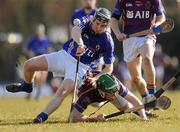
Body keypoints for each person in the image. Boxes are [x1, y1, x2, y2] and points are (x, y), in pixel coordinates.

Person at [6, 8, 115, 122]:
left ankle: (42, 116)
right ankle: (28, 86)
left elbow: (109, 68)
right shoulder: (88, 19)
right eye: (97, 23)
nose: (99, 27)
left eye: (103, 26)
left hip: (80, 67)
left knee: (63, 91)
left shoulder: (108, 41)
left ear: (107, 26)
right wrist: (80, 43)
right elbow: (75, 30)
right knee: (29, 65)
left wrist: (95, 78)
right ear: (94, 20)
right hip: (64, 55)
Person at [110, 0, 166, 103]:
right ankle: (146, 100)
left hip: (147, 36)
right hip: (129, 39)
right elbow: (113, 18)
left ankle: (152, 95)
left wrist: (156, 24)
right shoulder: (122, 1)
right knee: (136, 78)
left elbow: (161, 16)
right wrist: (117, 33)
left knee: (147, 59)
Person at [40, 73, 146, 123]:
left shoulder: (114, 83)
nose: (115, 95)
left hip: (100, 88)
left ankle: (141, 112)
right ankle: (139, 111)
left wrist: (144, 118)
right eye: (111, 93)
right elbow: (72, 118)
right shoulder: (87, 95)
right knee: (97, 104)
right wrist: (95, 119)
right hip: (92, 97)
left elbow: (133, 98)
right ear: (102, 92)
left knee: (126, 108)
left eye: (115, 92)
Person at [22, 24, 53, 100]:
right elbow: (25, 48)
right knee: (36, 75)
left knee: (43, 76)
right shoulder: (32, 39)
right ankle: (29, 90)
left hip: (44, 58)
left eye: (40, 31)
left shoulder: (46, 39)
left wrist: (50, 55)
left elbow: (50, 49)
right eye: (38, 31)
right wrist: (29, 52)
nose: (39, 32)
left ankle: (39, 92)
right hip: (35, 58)